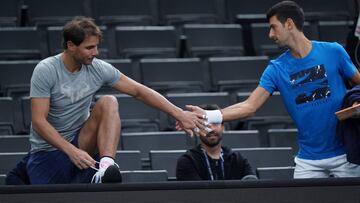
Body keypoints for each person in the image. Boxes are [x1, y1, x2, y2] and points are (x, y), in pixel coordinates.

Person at [185, 1, 360, 179]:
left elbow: (358, 84)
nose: (270, 34)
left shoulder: (334, 51)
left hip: (346, 154)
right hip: (309, 161)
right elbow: (249, 106)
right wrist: (208, 116)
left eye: (273, 27)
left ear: (289, 24)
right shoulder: (276, 69)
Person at [26, 16, 203, 184]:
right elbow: (39, 121)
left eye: (96, 46)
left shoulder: (98, 68)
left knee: (109, 101)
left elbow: (139, 91)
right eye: (89, 48)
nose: (95, 53)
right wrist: (71, 151)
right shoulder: (46, 70)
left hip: (81, 141)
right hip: (48, 151)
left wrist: (179, 113)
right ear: (71, 45)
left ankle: (106, 166)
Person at [176, 104, 257, 181]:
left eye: (215, 123)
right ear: (197, 130)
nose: (211, 129)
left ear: (223, 127)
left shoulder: (237, 159)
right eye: (205, 124)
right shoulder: (188, 160)